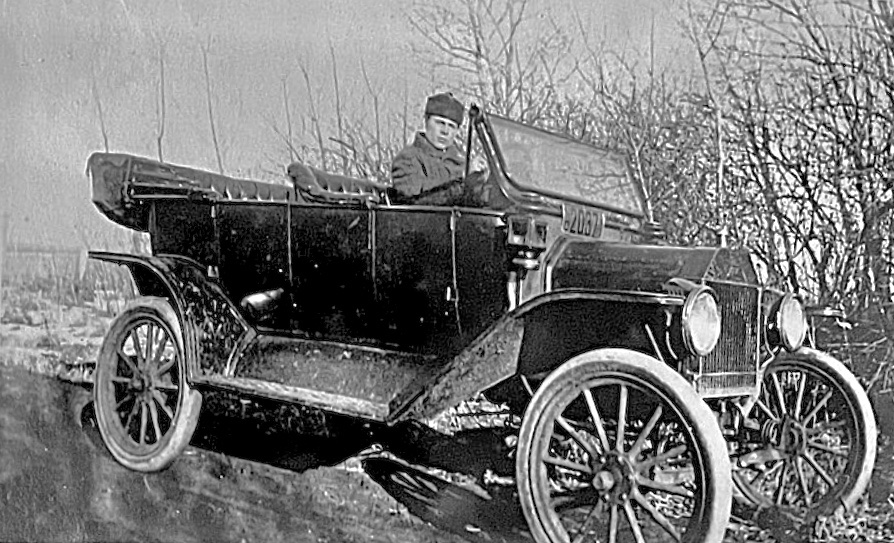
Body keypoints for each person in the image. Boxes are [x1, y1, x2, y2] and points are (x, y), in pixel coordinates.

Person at [390, 92, 488, 204]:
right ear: (426, 121)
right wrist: (462, 177)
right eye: (440, 123)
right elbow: (412, 198)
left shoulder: (459, 163)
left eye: (451, 126)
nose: (445, 131)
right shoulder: (408, 158)